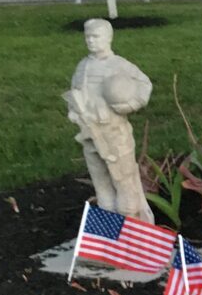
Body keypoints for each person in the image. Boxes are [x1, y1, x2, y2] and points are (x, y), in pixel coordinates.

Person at [65, 18, 154, 223]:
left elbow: (144, 85)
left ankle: (133, 231)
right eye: (87, 37)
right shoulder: (83, 66)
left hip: (113, 134)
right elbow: (76, 92)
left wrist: (128, 106)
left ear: (108, 38)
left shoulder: (119, 65)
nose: (90, 41)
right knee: (102, 184)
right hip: (89, 134)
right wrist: (74, 112)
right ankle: (109, 233)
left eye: (95, 37)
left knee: (123, 181)